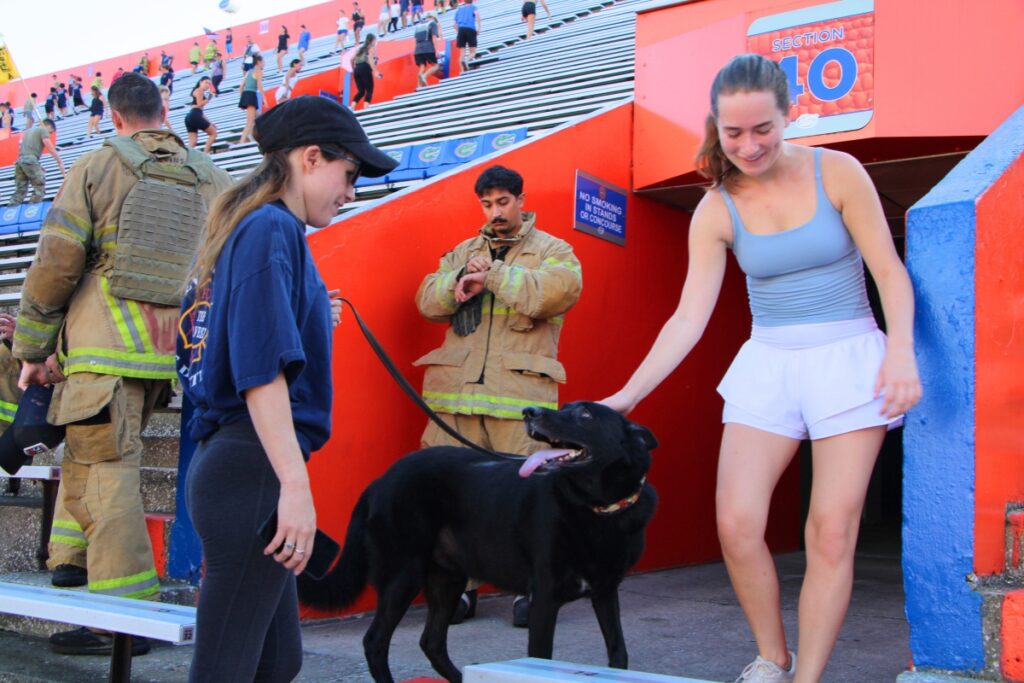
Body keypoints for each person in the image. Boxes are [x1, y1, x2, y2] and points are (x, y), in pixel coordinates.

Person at [599, 54, 921, 683]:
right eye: (734, 132)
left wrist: (901, 351)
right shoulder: (716, 209)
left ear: (789, 114)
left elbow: (889, 270)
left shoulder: (839, 172)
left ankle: (807, 679)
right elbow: (688, 319)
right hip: (768, 361)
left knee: (830, 531)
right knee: (737, 523)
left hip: (848, 357)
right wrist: (627, 396)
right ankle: (773, 657)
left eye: (763, 129)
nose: (749, 145)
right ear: (716, 127)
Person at [176, 94, 397, 683]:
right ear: (309, 157)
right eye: (348, 174)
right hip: (251, 467)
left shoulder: (253, 229)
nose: (351, 191)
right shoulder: (271, 227)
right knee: (227, 669)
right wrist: (294, 488)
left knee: (277, 662)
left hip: (243, 463)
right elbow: (259, 374)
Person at [12, 72, 232, 657]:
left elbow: (57, 264)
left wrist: (31, 349)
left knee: (108, 475)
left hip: (99, 350)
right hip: (166, 355)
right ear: (165, 109)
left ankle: (124, 620)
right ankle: (69, 560)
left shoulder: (98, 166)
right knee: (88, 457)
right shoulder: (212, 175)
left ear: (113, 116)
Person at [414, 164, 582, 627]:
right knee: (453, 503)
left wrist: (494, 276)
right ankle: (459, 591)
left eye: (503, 202)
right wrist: (457, 285)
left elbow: (554, 293)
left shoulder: (555, 250)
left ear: (521, 200)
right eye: (487, 204)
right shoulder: (463, 252)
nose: (495, 212)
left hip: (520, 406)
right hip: (457, 403)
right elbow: (426, 301)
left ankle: (532, 589)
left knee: (529, 503)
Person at [6, 119, 64, 206]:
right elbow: (50, 147)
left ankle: (10, 210)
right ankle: (33, 208)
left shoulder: (29, 131)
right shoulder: (43, 130)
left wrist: (38, 165)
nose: (50, 134)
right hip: (30, 160)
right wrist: (59, 161)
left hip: (21, 160)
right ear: (49, 126)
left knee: (21, 189)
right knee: (39, 186)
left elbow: (27, 151)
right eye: (51, 132)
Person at [186, 77, 219, 153]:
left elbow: (200, 110)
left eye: (209, 83)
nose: (207, 85)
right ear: (201, 82)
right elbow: (199, 104)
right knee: (213, 133)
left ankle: (186, 157)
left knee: (192, 142)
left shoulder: (199, 91)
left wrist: (210, 122)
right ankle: (205, 153)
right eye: (206, 82)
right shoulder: (199, 90)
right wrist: (209, 98)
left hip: (191, 115)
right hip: (195, 114)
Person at [238, 54, 264, 144]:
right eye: (263, 62)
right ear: (259, 62)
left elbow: (241, 86)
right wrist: (264, 99)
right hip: (251, 95)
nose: (264, 64)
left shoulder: (249, 72)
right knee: (249, 122)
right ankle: (241, 143)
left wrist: (242, 99)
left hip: (246, 94)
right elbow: (259, 85)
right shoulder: (258, 71)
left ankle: (253, 138)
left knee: (259, 118)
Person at [350, 35, 382, 109]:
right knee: (369, 90)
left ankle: (352, 107)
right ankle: (365, 108)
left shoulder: (360, 49)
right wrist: (375, 71)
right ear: (372, 40)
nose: (375, 42)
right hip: (365, 68)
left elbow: (351, 59)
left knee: (361, 91)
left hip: (357, 69)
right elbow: (371, 61)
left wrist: (353, 69)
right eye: (375, 40)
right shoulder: (371, 48)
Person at [414, 14, 444, 87]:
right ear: (433, 18)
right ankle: (424, 76)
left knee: (422, 66)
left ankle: (418, 86)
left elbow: (415, 40)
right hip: (428, 47)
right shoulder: (432, 24)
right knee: (436, 66)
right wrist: (437, 50)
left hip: (417, 49)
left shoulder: (419, 26)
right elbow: (434, 38)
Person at [454, 0, 481, 70]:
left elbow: (454, 24)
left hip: (461, 29)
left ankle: (462, 71)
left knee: (462, 52)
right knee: (473, 52)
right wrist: (479, 28)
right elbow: (477, 16)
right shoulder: (474, 7)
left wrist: (459, 31)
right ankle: (466, 61)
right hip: (470, 29)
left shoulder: (459, 9)